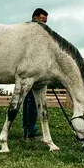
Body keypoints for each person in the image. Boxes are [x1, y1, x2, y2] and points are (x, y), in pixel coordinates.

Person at [23, 8, 47, 138]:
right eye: (42, 21)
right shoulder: (31, 31)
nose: (44, 25)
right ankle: (30, 130)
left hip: (31, 69)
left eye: (45, 22)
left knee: (28, 101)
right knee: (31, 101)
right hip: (30, 71)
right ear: (35, 18)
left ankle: (28, 129)